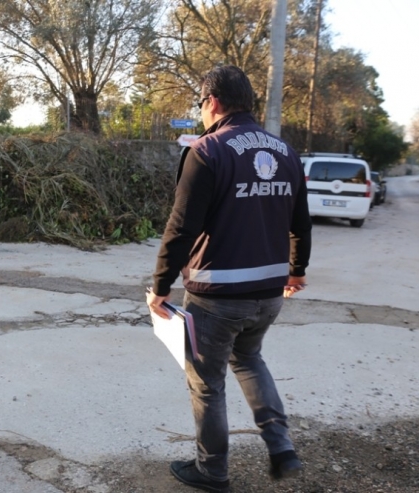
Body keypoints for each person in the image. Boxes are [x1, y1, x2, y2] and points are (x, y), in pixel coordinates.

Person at [146, 65, 312, 493]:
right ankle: (281, 447)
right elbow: (301, 222)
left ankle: (212, 471)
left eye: (200, 105)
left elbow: (181, 228)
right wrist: (297, 270)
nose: (201, 113)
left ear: (213, 102)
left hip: (218, 297)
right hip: (269, 293)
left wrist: (160, 288)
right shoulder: (285, 152)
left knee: (207, 384)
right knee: (249, 358)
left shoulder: (208, 150)